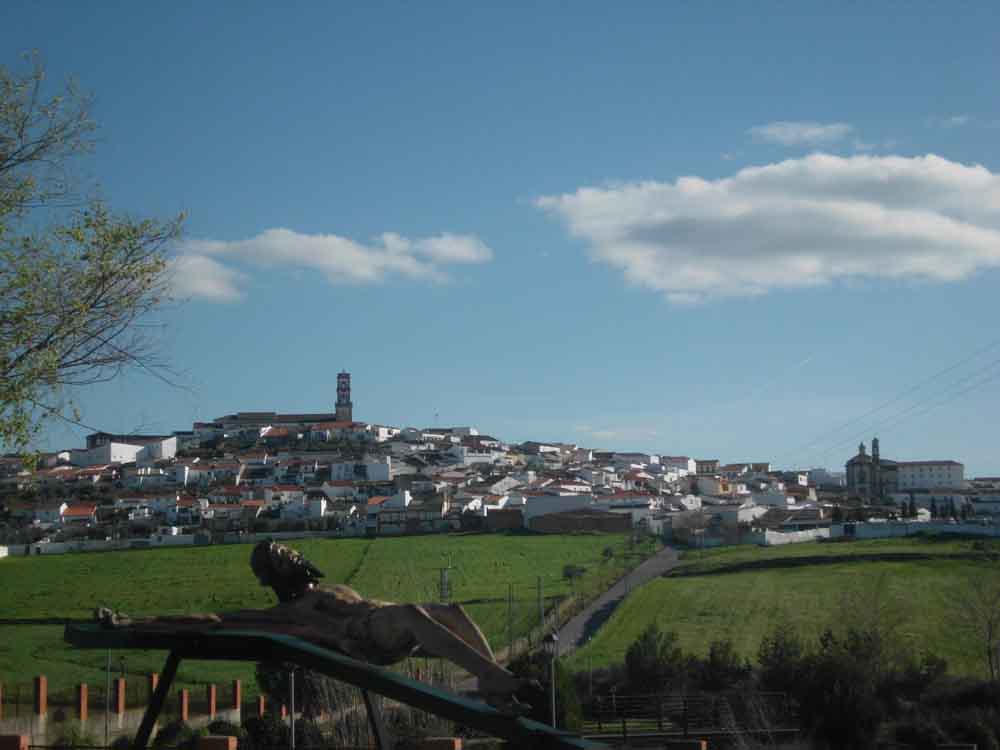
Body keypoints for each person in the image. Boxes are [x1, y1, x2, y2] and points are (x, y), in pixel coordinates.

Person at [97, 540, 532, 712]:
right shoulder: (285, 613)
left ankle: (494, 683)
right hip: (363, 638)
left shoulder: (331, 587)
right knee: (411, 614)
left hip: (386, 625)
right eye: (279, 555)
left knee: (451, 609)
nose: (289, 553)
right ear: (275, 574)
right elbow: (212, 620)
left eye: (286, 549)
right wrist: (134, 621)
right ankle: (494, 676)